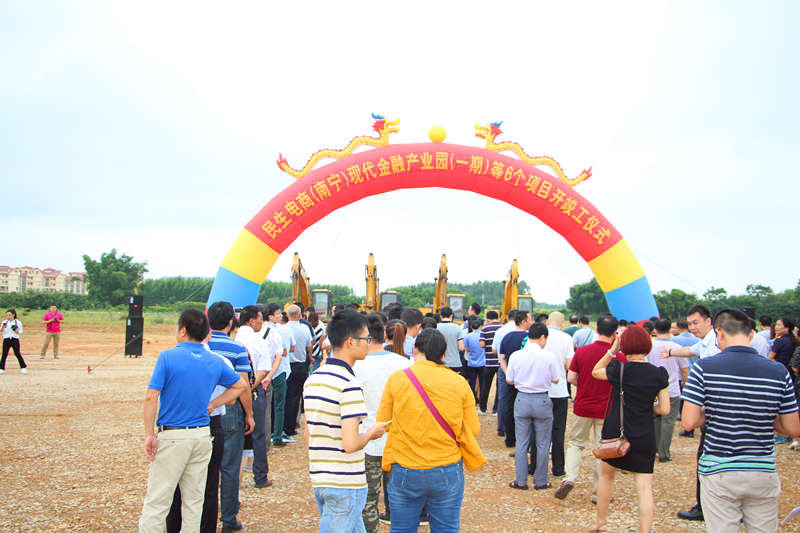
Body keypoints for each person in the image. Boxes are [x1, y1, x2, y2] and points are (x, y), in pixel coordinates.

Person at [682, 309, 800, 533]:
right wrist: (760, 412)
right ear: (751, 334)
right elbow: (793, 428)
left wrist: (718, 408)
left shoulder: (703, 368)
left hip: (719, 469)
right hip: (762, 469)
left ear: (719, 333)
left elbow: (688, 422)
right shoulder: (778, 371)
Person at [138, 309, 248, 533]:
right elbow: (241, 386)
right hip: (202, 436)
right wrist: (214, 404)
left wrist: (149, 434)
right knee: (194, 500)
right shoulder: (214, 360)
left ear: (182, 331)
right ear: (206, 332)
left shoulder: (168, 356)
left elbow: (151, 396)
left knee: (158, 500)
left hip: (173, 435)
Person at [378, 328, 484, 533]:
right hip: (446, 467)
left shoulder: (397, 379)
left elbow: (384, 422)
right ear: (443, 355)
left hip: (405, 467)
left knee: (401, 529)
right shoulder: (459, 382)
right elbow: (473, 429)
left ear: (414, 349)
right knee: (446, 529)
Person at [303, 310, 388, 533]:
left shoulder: (313, 379)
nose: (369, 344)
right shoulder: (349, 384)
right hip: (345, 482)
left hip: (320, 477)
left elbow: (308, 432)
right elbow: (351, 444)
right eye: (366, 339)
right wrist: (372, 432)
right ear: (351, 342)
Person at [590, 326, 670, 533]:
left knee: (607, 476)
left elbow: (595, 371)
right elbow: (665, 409)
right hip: (644, 432)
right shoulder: (659, 374)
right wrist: (646, 406)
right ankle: (645, 530)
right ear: (647, 345)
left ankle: (601, 523)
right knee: (644, 487)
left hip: (617, 431)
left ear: (624, 346)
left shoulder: (619, 369)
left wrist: (612, 349)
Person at [658, 304, 720, 522]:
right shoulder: (705, 341)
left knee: (707, 457)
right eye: (690, 323)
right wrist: (671, 353)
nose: (692, 327)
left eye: (696, 322)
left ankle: (705, 507)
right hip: (710, 408)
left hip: (714, 408)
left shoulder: (716, 342)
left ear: (709, 321)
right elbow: (691, 351)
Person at [555, 315, 626, 502]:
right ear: (615, 333)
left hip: (583, 406)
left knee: (576, 444)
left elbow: (571, 378)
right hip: (607, 410)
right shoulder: (620, 358)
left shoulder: (582, 351)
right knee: (601, 449)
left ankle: (569, 478)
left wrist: (584, 385)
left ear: (597, 330)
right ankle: (598, 492)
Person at [353, 315, 412, 533]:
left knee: (368, 498)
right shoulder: (404, 364)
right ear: (384, 334)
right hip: (398, 442)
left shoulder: (355, 366)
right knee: (401, 497)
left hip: (366, 441)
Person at [206, 302, 256, 533]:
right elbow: (243, 386)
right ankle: (228, 518)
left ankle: (201, 516)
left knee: (203, 467)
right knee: (229, 467)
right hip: (229, 410)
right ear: (231, 323)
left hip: (203, 411)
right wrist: (249, 414)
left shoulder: (201, 345)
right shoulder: (237, 349)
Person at [507, 323, 561, 490]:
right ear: (543, 337)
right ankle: (540, 481)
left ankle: (521, 480)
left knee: (522, 443)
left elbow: (509, 380)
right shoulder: (549, 356)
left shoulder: (516, 355)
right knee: (543, 443)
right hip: (542, 400)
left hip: (522, 399)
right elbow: (556, 379)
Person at [235, 305, 278, 489]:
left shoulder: (234, 338)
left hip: (231, 393)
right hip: (253, 390)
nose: (262, 323)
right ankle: (260, 477)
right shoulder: (258, 341)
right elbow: (261, 372)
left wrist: (238, 390)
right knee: (258, 434)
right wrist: (248, 389)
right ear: (252, 321)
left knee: (233, 434)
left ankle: (231, 477)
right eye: (261, 319)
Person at [646, 318, 688, 462]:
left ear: (655, 330)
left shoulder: (649, 346)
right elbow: (684, 369)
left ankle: (653, 449)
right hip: (672, 389)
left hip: (652, 389)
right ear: (670, 329)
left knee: (654, 419)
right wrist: (685, 382)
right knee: (668, 421)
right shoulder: (676, 347)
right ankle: (664, 452)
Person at [540, 311, 574, 477]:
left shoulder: (540, 336)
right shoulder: (566, 338)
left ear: (547, 322)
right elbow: (569, 366)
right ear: (562, 323)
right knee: (558, 431)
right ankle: (558, 468)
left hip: (541, 390)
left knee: (539, 430)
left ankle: (536, 466)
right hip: (560, 390)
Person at [498, 311, 532, 448]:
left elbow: (501, 358)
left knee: (509, 406)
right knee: (525, 408)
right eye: (530, 320)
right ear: (523, 322)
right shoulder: (529, 338)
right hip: (525, 379)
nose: (531, 322)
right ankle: (524, 439)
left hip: (511, 379)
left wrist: (508, 373)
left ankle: (510, 438)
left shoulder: (506, 337)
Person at [284, 304, 314, 441]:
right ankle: (291, 427)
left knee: (284, 397)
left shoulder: (283, 329)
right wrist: (310, 357)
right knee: (295, 398)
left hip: (286, 365)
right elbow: (309, 345)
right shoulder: (305, 328)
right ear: (300, 315)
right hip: (300, 366)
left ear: (286, 315)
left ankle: (281, 426)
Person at [264, 303, 292, 447]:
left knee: (265, 405)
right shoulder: (280, 331)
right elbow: (285, 352)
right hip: (279, 370)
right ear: (270, 316)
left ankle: (265, 435)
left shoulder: (257, 332)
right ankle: (277, 436)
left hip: (262, 372)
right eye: (278, 313)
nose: (281, 315)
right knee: (279, 404)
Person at [492, 309, 518, 438]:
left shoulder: (500, 331)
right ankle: (516, 427)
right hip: (520, 367)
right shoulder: (525, 333)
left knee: (503, 397)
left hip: (504, 366)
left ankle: (502, 427)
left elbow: (494, 350)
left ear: (508, 318)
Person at [479, 310, 502, 416]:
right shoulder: (503, 328)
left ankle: (482, 408)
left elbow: (482, 345)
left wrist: (489, 345)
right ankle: (496, 409)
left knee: (486, 385)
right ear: (498, 317)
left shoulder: (485, 329)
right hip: (500, 362)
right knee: (499, 386)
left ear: (488, 319)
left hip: (489, 361)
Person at [437, 307, 465, 374]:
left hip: (440, 363)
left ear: (441, 316)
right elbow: (461, 348)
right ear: (451, 316)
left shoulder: (436, 327)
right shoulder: (457, 328)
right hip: (455, 363)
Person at [463, 319, 485, 405]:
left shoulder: (468, 336)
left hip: (471, 362)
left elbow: (467, 349)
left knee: (472, 382)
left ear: (471, 327)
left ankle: (472, 400)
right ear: (480, 327)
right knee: (482, 383)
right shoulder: (483, 335)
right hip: (482, 362)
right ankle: (482, 401)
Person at [1, 309, 26, 374]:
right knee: (4, 354)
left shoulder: (18, 322)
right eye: (7, 315)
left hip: (14, 339)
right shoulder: (4, 322)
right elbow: (1, 332)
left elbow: (21, 332)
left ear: (13, 315)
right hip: (6, 339)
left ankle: (23, 367)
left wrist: (16, 331)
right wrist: (3, 327)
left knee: (17, 353)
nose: (8, 316)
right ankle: (1, 368)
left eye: (9, 315)